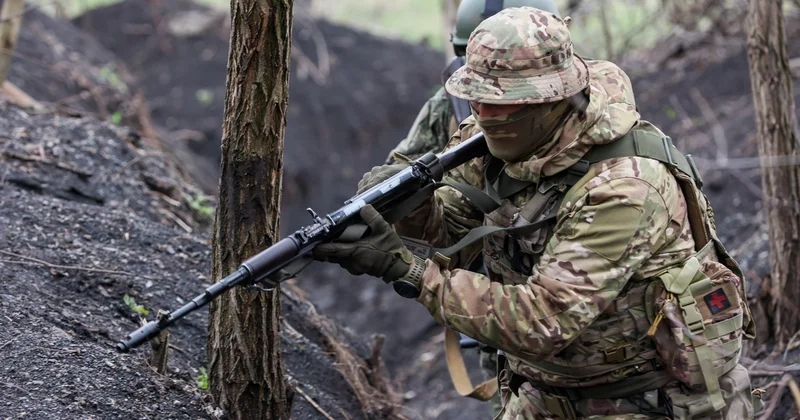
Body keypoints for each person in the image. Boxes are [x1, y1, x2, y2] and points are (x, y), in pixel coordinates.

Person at [315, 7, 756, 419]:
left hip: (645, 400)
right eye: (476, 98)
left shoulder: (624, 186)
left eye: (500, 102)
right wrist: (409, 207)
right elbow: (452, 226)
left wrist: (408, 270)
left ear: (551, 98)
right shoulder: (495, 133)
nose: (483, 115)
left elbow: (543, 319)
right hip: (545, 391)